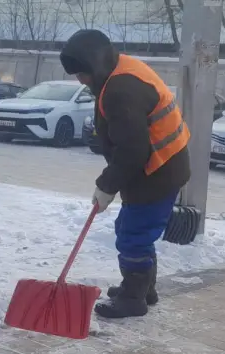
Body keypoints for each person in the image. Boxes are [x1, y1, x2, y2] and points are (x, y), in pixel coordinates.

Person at [58, 29, 191, 319]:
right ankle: (145, 288)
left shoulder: (120, 89)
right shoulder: (118, 69)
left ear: (96, 64)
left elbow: (133, 150)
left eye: (82, 73)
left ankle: (133, 297)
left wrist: (107, 185)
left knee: (133, 235)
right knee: (133, 230)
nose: (79, 80)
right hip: (160, 166)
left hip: (157, 171)